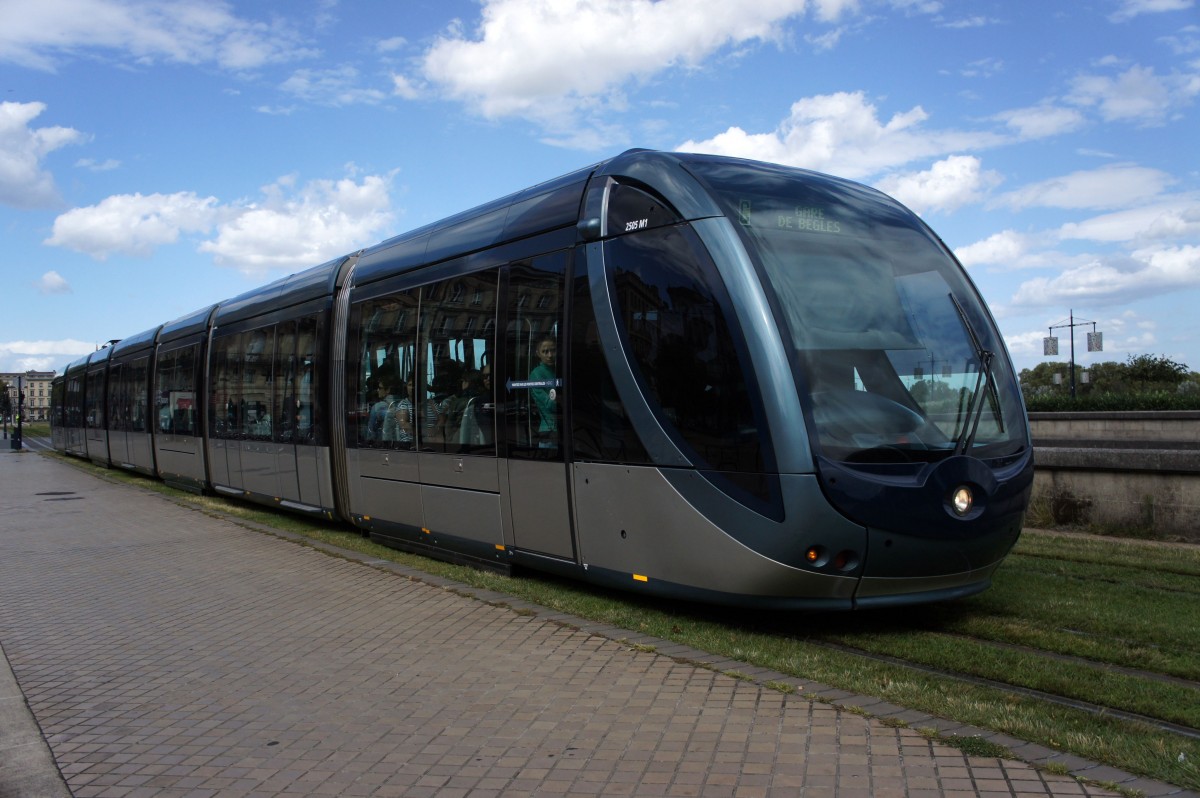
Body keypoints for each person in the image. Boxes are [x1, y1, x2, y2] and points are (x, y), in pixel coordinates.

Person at [529, 336, 560, 446]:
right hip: (549, 430)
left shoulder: (559, 369)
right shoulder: (536, 374)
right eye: (545, 351)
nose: (550, 355)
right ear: (538, 354)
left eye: (553, 350)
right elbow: (550, 405)